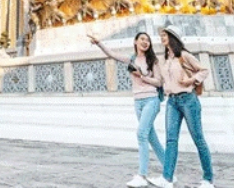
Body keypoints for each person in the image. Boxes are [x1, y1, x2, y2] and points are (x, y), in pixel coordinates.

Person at [88, 32, 165, 188]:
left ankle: (142, 175)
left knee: (141, 134)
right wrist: (99, 43)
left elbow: (158, 82)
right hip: (138, 101)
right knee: (152, 138)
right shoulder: (131, 59)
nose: (146, 42)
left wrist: (142, 76)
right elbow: (112, 55)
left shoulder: (153, 61)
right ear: (135, 41)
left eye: (148, 40)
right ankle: (169, 171)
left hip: (151, 99)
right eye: (142, 39)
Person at [148, 25, 214, 188]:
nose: (162, 37)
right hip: (172, 101)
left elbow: (204, 70)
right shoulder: (165, 60)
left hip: (188, 100)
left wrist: (191, 81)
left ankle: (208, 179)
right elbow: (162, 81)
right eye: (161, 35)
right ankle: (167, 178)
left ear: (173, 37)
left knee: (198, 139)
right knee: (171, 140)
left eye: (165, 35)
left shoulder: (184, 56)